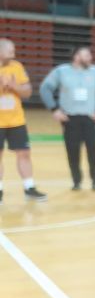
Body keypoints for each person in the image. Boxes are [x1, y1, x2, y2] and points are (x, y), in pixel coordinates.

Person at [39, 46, 95, 192]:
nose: (90, 58)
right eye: (87, 55)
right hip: (69, 118)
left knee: (93, 151)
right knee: (72, 151)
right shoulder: (61, 71)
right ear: (76, 56)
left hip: (90, 118)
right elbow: (45, 88)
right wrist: (54, 109)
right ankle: (76, 181)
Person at [0, 38, 47, 204]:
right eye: (10, 51)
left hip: (16, 120)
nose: (14, 54)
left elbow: (27, 92)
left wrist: (15, 86)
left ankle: (29, 187)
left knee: (24, 154)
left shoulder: (17, 67)